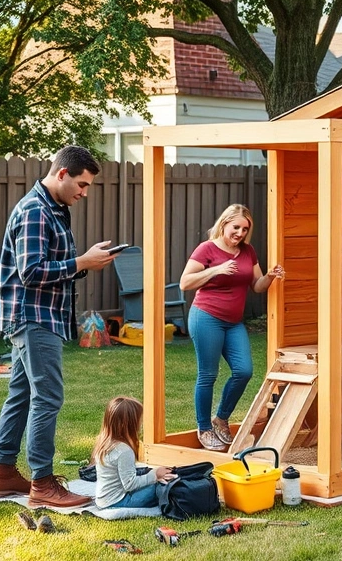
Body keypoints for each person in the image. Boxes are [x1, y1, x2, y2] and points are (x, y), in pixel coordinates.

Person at [0, 145, 117, 508]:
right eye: (82, 183)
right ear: (61, 174)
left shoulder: (53, 209)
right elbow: (31, 272)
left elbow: (50, 263)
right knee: (48, 396)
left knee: (22, 394)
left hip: (37, 316)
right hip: (33, 317)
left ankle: (3, 475)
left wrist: (85, 260)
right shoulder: (35, 210)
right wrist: (83, 262)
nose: (84, 192)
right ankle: (43, 483)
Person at [180, 204, 284, 451]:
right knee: (208, 374)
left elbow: (257, 286)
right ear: (224, 223)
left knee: (244, 371)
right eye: (235, 227)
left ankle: (221, 418)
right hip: (206, 317)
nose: (240, 232)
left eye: (245, 229)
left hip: (233, 322)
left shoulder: (248, 251)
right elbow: (185, 282)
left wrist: (269, 276)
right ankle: (204, 427)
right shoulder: (207, 249)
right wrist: (217, 269)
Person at [92, 397, 178, 509]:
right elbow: (130, 484)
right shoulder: (124, 450)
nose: (140, 425)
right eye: (139, 421)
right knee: (162, 486)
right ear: (128, 424)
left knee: (156, 482)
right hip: (118, 501)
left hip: (103, 500)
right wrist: (155, 474)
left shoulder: (104, 443)